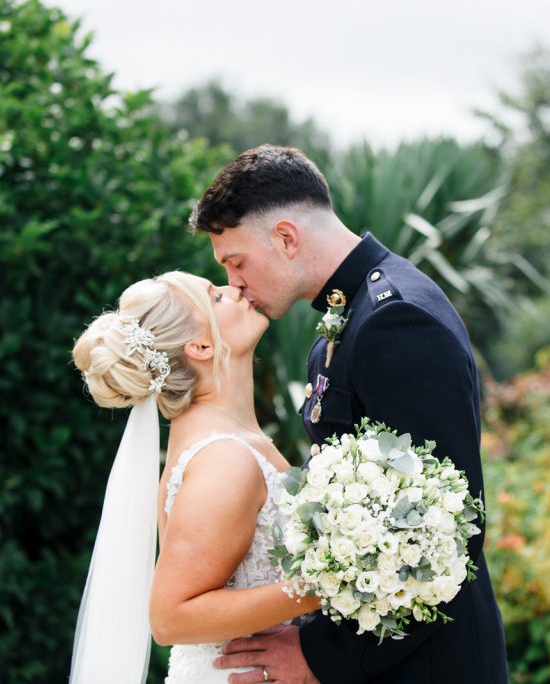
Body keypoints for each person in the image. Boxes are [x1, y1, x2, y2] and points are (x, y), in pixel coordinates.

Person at [190, 145, 508, 683]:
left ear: (286, 237)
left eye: (236, 262)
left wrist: (321, 656)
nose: (235, 283)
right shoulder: (346, 317)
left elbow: (448, 532)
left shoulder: (396, 319)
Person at [70, 271, 321, 683]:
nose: (234, 288)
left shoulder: (229, 440)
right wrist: (322, 587)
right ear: (200, 347)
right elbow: (171, 618)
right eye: (216, 297)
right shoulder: (224, 457)